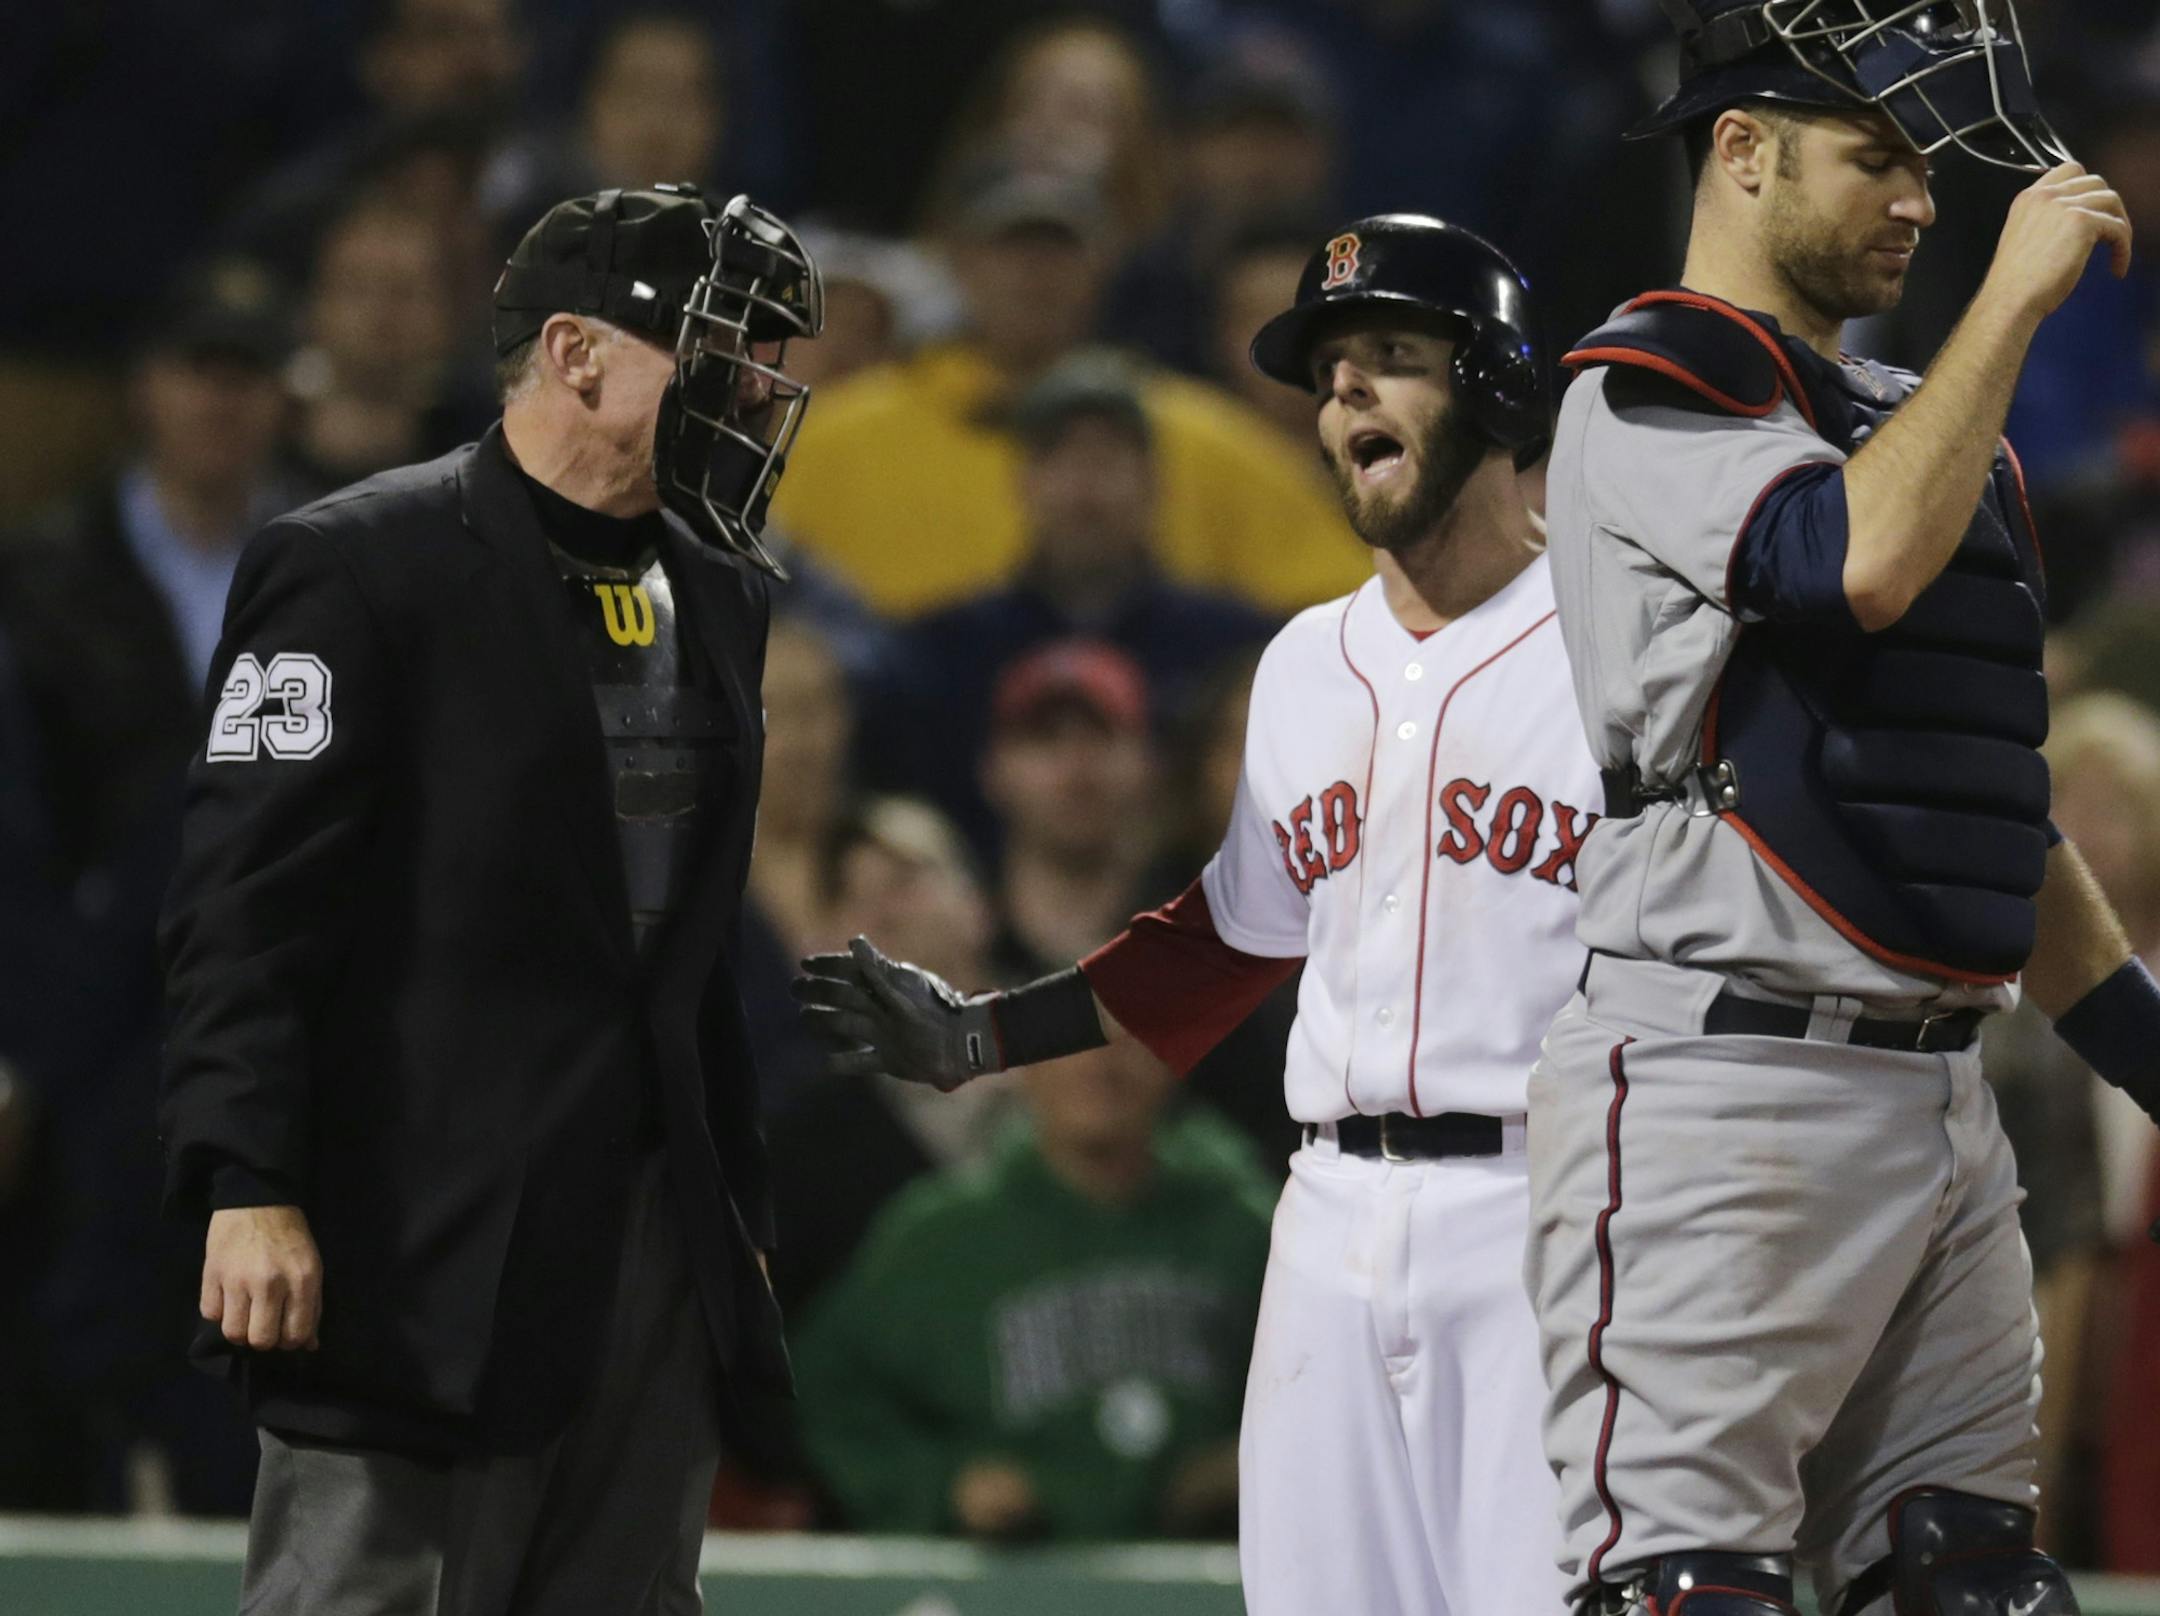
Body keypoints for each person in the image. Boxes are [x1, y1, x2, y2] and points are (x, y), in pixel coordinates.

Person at [798, 216, 1602, 1614]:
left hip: (1545, 1212)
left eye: (1393, 356)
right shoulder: (1302, 663)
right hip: (1330, 1212)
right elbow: (1228, 937)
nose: (1344, 391)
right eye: (1329, 368)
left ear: (1504, 389)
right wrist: (990, 1038)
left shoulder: (1619, 650)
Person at [1534, 5, 2159, 1613]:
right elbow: (1844, 566)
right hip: (1721, 1092)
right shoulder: (1646, 380)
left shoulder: (1925, 425)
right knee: (1692, 1591)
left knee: (1975, 1583)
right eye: (1876, 156)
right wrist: (2015, 303)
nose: (1923, 200)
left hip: (1948, 1103)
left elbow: (1977, 806)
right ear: (1739, 151)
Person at [158, 185, 823, 1612]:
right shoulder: (354, 567)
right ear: (576, 353)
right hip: (418, 1235)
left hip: (647, 1234)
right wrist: (247, 1177)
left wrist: (731, 1214)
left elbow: (682, 945)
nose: (758, 398)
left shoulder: (724, 594)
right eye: (719, 352)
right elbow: (242, 906)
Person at [770, 166, 1369, 618]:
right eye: (1010, 247)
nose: (1034, 274)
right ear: (955, 259)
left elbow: (1343, 607)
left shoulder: (1202, 437)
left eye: (1060, 250)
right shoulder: (834, 439)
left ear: (1105, 265)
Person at [793, 1033, 1271, 1542]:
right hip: (1007, 1583)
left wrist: (1261, 1459)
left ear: (1173, 1060)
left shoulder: (1246, 1227)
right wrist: (945, 1485)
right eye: (1071, 1041)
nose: (1098, 1067)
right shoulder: (943, 1238)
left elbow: (1341, 1393)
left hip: (1205, 1580)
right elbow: (829, 1392)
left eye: (1129, 1042)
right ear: (1023, 1065)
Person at [899, 351, 1277, 845]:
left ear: (1153, 482)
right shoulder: (947, 649)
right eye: (1061, 458)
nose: (1086, 487)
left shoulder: (1232, 647)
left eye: (1109, 459)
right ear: (1023, 482)